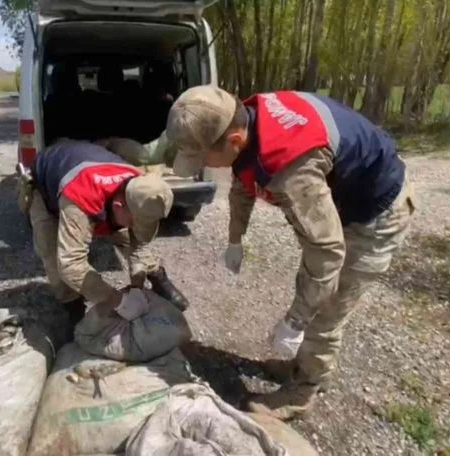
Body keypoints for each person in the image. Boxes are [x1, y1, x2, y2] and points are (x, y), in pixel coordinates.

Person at [165, 86, 415, 420]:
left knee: (327, 304)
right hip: (345, 196)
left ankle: (304, 390)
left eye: (202, 158)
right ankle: (302, 365)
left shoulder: (289, 166)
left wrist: (295, 322)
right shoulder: (246, 120)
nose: (203, 166)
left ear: (234, 140)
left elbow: (327, 252)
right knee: (314, 285)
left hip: (375, 214)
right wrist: (235, 239)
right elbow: (242, 183)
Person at [26, 139, 189, 327]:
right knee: (51, 250)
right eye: (133, 221)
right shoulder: (82, 198)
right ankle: (73, 306)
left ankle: (158, 277)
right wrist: (118, 301)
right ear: (118, 206)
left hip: (87, 165)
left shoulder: (140, 186)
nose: (135, 227)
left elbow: (139, 241)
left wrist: (137, 283)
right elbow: (71, 265)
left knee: (126, 234)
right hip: (49, 180)